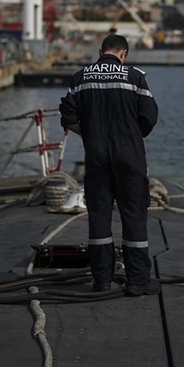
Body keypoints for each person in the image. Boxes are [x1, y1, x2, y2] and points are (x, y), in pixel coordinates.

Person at [59, 34, 159, 296]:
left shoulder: (80, 78)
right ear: (123, 54)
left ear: (100, 51)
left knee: (99, 216)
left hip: (96, 155)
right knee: (134, 215)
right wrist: (129, 136)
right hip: (129, 156)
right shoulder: (135, 77)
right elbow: (149, 117)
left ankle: (101, 279)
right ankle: (138, 281)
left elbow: (68, 117)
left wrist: (91, 134)